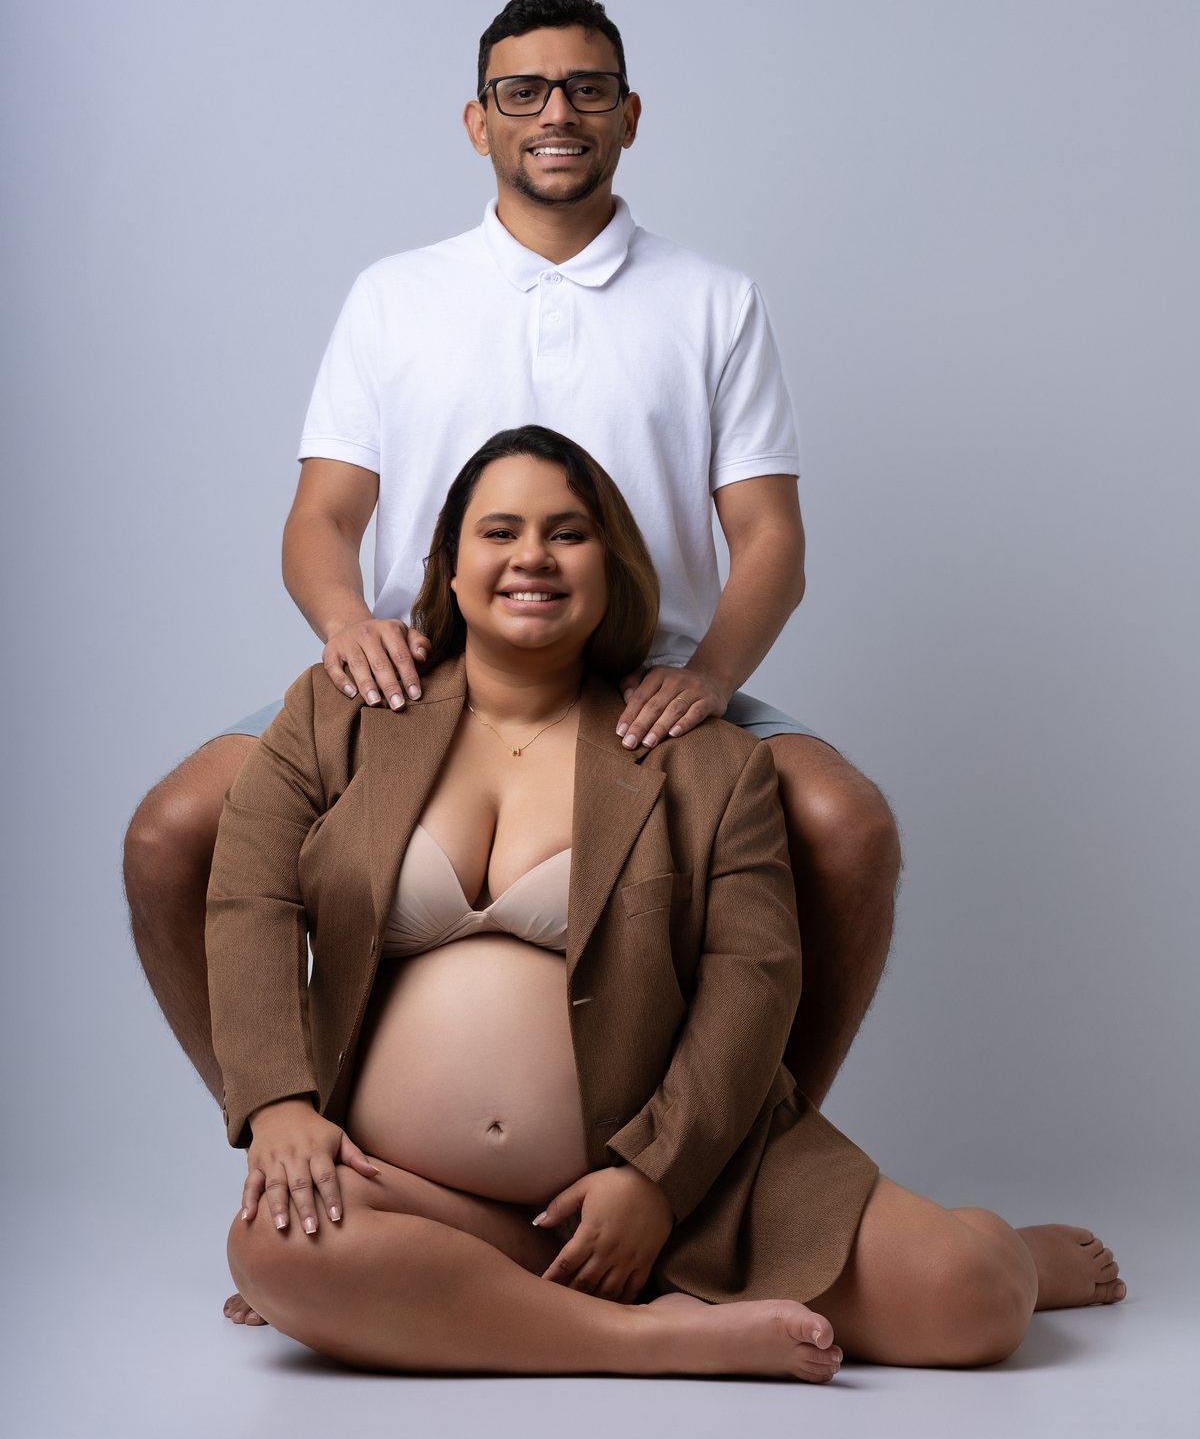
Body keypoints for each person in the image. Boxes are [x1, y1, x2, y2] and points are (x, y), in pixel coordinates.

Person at [124, 0, 900, 1177]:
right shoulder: (395, 295)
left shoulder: (713, 301)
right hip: (418, 676)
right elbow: (321, 516)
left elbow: (771, 541)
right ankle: (292, 1153)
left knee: (850, 830)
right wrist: (346, 622)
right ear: (477, 121)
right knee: (169, 836)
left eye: (588, 89)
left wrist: (708, 678)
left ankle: (739, 1170)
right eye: (523, 91)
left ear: (629, 116)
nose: (557, 113)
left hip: (643, 683)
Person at [211, 426, 1124, 1377]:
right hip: (407, 1187)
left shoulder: (707, 758)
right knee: (272, 1249)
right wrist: (280, 1107)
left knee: (973, 1304)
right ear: (446, 562)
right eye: (500, 531)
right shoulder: (340, 713)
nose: (532, 556)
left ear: (612, 567)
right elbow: (249, 898)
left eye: (568, 533)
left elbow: (752, 981)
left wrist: (653, 1180)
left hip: (685, 1194)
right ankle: (654, 1337)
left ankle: (1020, 1253)